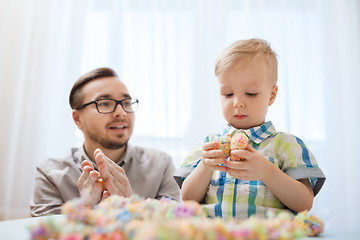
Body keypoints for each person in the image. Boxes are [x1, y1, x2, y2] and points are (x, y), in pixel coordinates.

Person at [174, 39, 325, 219]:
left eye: (251, 93)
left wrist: (267, 172)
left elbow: (304, 204)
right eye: (228, 94)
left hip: (267, 233)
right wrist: (205, 168)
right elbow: (188, 199)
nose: (237, 102)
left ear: (271, 95)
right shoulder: (209, 145)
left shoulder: (286, 144)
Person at [30, 67, 180, 217]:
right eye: (104, 103)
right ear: (77, 119)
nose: (121, 112)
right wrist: (84, 212)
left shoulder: (161, 166)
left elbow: (176, 228)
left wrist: (132, 207)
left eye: (127, 103)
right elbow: (45, 233)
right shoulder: (50, 175)